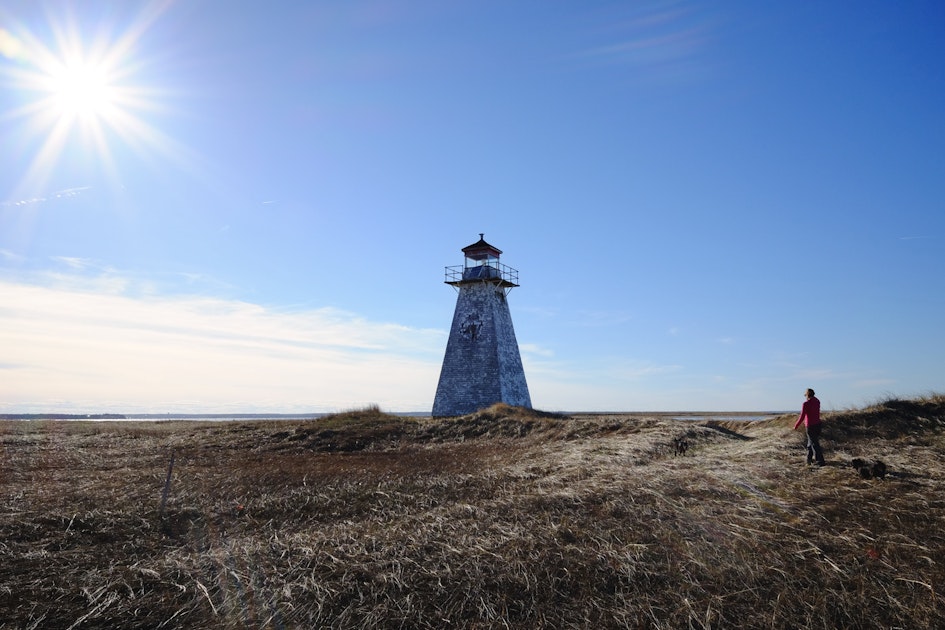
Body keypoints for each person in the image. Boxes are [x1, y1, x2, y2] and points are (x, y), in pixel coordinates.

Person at [794, 388, 825, 466]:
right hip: (818, 425)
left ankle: (820, 461)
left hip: (810, 426)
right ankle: (809, 459)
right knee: (810, 443)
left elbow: (802, 416)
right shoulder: (817, 401)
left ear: (807, 395)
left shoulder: (806, 404)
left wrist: (796, 425)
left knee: (814, 444)